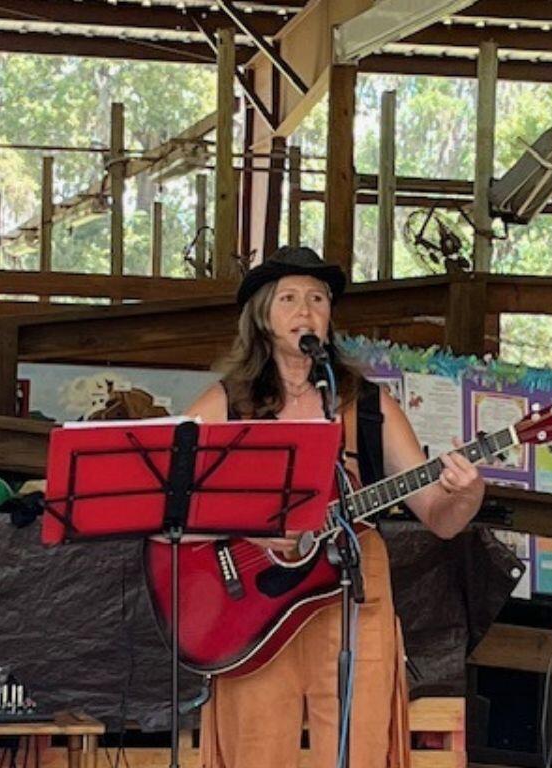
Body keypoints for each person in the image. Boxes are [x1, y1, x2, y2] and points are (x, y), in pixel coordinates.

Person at [187, 246, 486, 768]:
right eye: (289, 298)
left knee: (360, 751)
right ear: (261, 316)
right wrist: (250, 528)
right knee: (256, 749)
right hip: (256, 606)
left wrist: (467, 494)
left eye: (318, 298)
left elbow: (438, 517)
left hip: (354, 599)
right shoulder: (225, 404)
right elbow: (166, 506)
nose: (306, 309)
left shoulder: (369, 405)